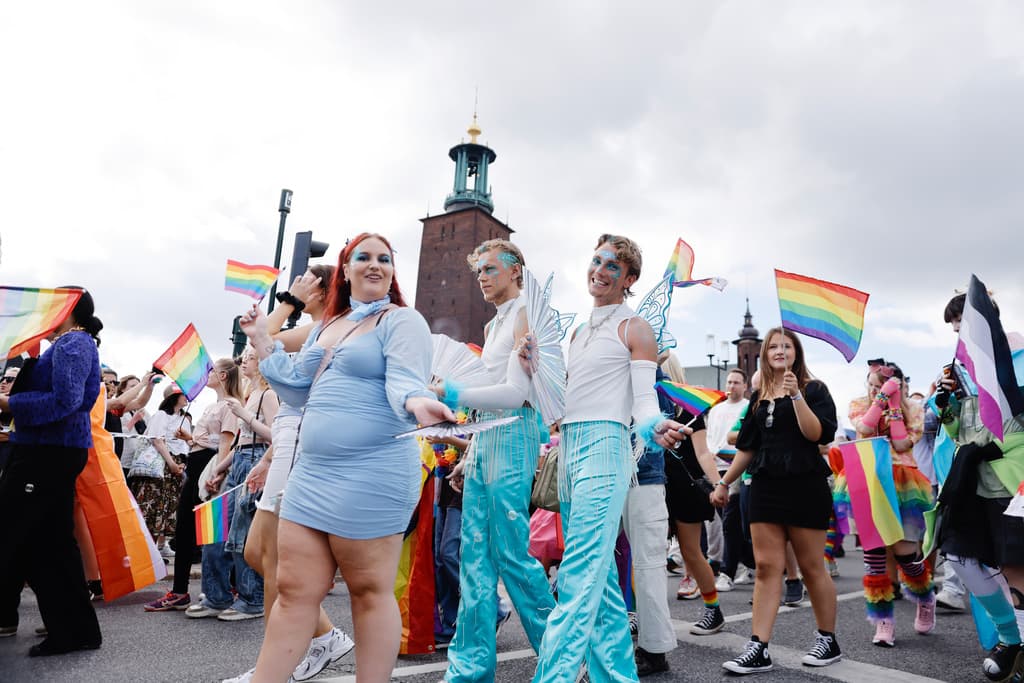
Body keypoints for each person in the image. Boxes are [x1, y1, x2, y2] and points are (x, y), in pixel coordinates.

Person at [238, 232, 455, 683]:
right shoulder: (328, 325)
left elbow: (405, 379)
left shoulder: (402, 320)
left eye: (384, 259)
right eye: (364, 257)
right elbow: (296, 388)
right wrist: (262, 341)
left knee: (369, 592)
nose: (375, 264)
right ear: (346, 269)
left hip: (372, 473)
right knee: (293, 592)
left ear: (392, 272)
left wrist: (418, 402)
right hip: (312, 475)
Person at [531, 234, 687, 683]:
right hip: (570, 450)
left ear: (629, 279)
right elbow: (565, 399)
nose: (599, 271)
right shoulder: (578, 333)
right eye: (596, 261)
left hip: (606, 449)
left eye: (612, 266)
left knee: (579, 571)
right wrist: (534, 367)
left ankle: (554, 676)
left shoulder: (635, 328)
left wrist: (655, 425)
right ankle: (617, 674)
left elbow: (644, 400)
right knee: (598, 577)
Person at [224, 264, 356, 682]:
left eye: (306, 280)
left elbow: (265, 336)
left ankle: (274, 667)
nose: (298, 284)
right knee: (256, 553)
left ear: (322, 289)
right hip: (287, 438)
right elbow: (261, 340)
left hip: (303, 439)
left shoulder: (332, 325)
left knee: (273, 558)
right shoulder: (316, 328)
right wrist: (267, 459)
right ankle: (324, 636)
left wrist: (289, 300)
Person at [434, 238, 555, 683]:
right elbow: (489, 395)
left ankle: (563, 657)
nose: (482, 278)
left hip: (515, 433)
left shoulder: (526, 314)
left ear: (515, 269)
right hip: (487, 438)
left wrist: (452, 393)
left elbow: (516, 394)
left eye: (489, 269)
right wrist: (469, 457)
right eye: (479, 271)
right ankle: (469, 669)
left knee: (511, 554)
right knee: (474, 560)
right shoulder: (492, 325)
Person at [712, 326, 841, 674]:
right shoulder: (758, 397)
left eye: (786, 346)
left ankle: (828, 640)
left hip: (805, 484)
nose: (780, 351)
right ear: (765, 355)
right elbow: (747, 447)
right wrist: (724, 483)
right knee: (768, 567)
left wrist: (796, 395)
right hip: (765, 486)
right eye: (773, 347)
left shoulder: (814, 389)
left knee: (811, 566)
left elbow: (817, 434)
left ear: (796, 352)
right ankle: (758, 647)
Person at [0, 288, 104, 656]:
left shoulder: (73, 343)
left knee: (39, 540)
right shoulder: (70, 343)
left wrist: (10, 402)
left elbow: (66, 400)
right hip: (48, 449)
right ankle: (75, 630)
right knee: (48, 540)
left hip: (48, 451)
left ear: (70, 310)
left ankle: (72, 630)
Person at [933, 292, 1024, 683]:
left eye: (962, 322)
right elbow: (959, 430)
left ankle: (1016, 649)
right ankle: (1011, 639)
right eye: (954, 325)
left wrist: (997, 446)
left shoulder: (1017, 357)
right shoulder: (961, 368)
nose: (957, 330)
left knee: (1015, 566)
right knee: (959, 555)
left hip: (1011, 479)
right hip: (971, 481)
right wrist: (946, 407)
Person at [839, 361, 935, 647]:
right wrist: (881, 399)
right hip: (868, 480)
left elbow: (902, 444)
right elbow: (865, 428)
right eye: (870, 385)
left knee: (906, 556)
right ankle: (884, 621)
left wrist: (894, 406)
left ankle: (925, 597)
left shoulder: (914, 409)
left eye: (879, 386)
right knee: (874, 557)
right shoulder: (859, 404)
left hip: (903, 485)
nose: (873, 390)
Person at [186, 348, 277, 622]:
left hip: (256, 461)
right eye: (244, 357)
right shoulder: (250, 395)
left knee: (241, 535)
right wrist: (219, 469)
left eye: (250, 357)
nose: (244, 361)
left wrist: (245, 416)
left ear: (263, 363)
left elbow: (276, 436)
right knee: (215, 531)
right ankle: (216, 596)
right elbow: (239, 444)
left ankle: (252, 600)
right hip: (239, 462)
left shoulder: (268, 395)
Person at [144, 357, 242, 612]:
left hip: (208, 466)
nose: (207, 375)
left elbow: (225, 443)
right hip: (196, 462)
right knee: (187, 527)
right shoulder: (213, 405)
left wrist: (218, 473)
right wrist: (190, 439)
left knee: (212, 529)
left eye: (212, 371)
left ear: (223, 376)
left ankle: (224, 588)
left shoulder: (230, 405)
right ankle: (182, 591)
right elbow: (208, 440)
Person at [623, 361, 679, 677]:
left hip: (643, 477)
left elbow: (663, 416)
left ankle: (654, 649)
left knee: (648, 566)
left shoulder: (654, 376)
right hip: (609, 472)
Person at [128, 383, 191, 555]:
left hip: (176, 466)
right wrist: (171, 463)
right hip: (160, 466)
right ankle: (144, 550)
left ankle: (155, 550)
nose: (187, 397)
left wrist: (181, 463)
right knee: (152, 506)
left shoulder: (184, 419)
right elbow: (157, 440)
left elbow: (186, 444)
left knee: (166, 507)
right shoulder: (161, 415)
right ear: (173, 396)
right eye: (183, 393)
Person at [706, 369, 753, 593]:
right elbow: (710, 437)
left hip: (737, 467)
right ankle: (747, 564)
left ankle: (728, 571)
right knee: (728, 521)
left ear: (745, 386)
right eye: (729, 382)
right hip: (716, 468)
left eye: (736, 382)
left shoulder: (747, 407)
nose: (731, 386)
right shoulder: (716, 410)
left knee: (730, 521)